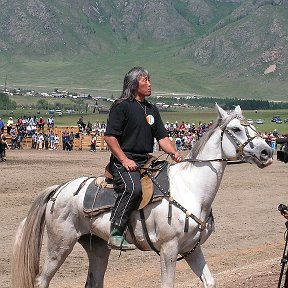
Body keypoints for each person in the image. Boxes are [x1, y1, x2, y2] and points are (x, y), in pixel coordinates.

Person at [104, 67, 182, 250]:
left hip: (145, 161)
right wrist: (124, 160)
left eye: (149, 80)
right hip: (123, 162)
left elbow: (162, 137)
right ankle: (115, 232)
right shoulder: (121, 106)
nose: (149, 84)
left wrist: (173, 152)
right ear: (133, 84)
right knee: (133, 189)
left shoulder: (151, 109)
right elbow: (110, 137)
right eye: (145, 80)